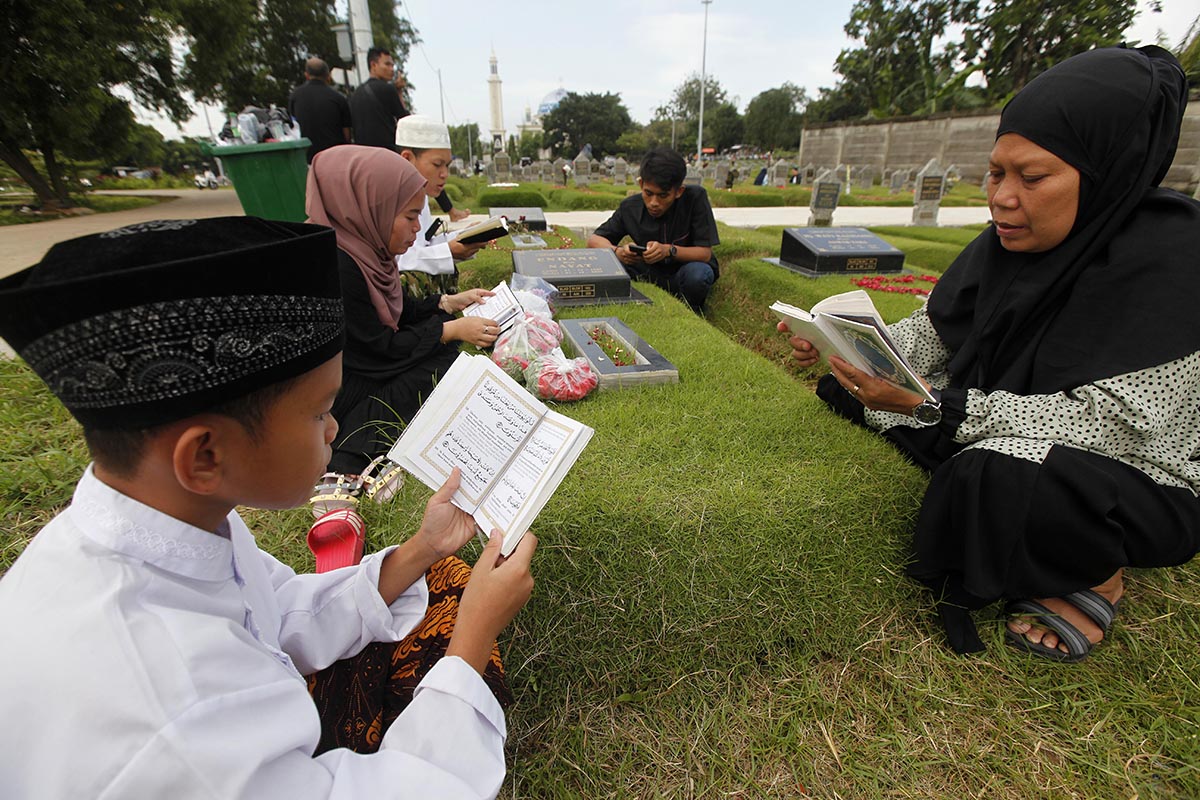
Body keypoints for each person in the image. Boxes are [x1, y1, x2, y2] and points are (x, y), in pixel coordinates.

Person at [0, 216, 537, 797]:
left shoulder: (169, 520)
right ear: (204, 455)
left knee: (440, 574)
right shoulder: (171, 709)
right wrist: (473, 639)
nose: (335, 428)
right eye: (317, 412)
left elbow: (275, 613)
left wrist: (422, 548)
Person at [780, 45, 1200, 662]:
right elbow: (933, 332)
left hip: (1124, 469)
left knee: (995, 472)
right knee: (846, 390)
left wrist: (938, 411)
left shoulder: (1174, 260)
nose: (1001, 197)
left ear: (1110, 170)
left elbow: (1108, 423)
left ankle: (1100, 571)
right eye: (996, 173)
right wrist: (850, 344)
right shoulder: (1002, 244)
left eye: (1031, 178)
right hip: (990, 412)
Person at [305, 145, 499, 497]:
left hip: (366, 363)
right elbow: (377, 349)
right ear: (371, 208)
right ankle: (348, 458)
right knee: (438, 363)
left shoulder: (364, 248)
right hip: (340, 387)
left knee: (447, 356)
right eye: (409, 217)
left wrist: (446, 302)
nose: (415, 229)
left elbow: (399, 311)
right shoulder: (337, 265)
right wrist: (447, 329)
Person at [587, 146, 719, 313]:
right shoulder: (630, 207)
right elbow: (594, 240)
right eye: (648, 193)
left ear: (679, 191)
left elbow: (704, 253)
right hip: (647, 271)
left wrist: (668, 250)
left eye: (663, 195)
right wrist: (618, 251)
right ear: (641, 184)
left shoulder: (695, 199)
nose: (654, 202)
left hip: (683, 269)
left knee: (699, 274)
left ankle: (693, 309)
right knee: (611, 262)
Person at [351, 45, 469, 222]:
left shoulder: (355, 95)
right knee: (427, 167)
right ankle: (450, 210)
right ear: (373, 65)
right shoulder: (386, 90)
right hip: (390, 156)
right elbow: (410, 125)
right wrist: (398, 91)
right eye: (387, 64)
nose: (391, 69)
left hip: (364, 163)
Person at [393, 115, 488, 299]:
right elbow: (399, 259)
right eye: (437, 165)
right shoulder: (390, 199)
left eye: (447, 165)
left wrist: (462, 238)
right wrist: (449, 251)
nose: (444, 174)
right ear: (407, 158)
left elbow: (423, 244)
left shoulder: (421, 195)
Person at [288, 57, 352, 163]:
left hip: (307, 156)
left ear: (306, 75)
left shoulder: (295, 96)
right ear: (328, 76)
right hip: (335, 156)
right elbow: (346, 133)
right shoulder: (338, 98)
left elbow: (293, 127)